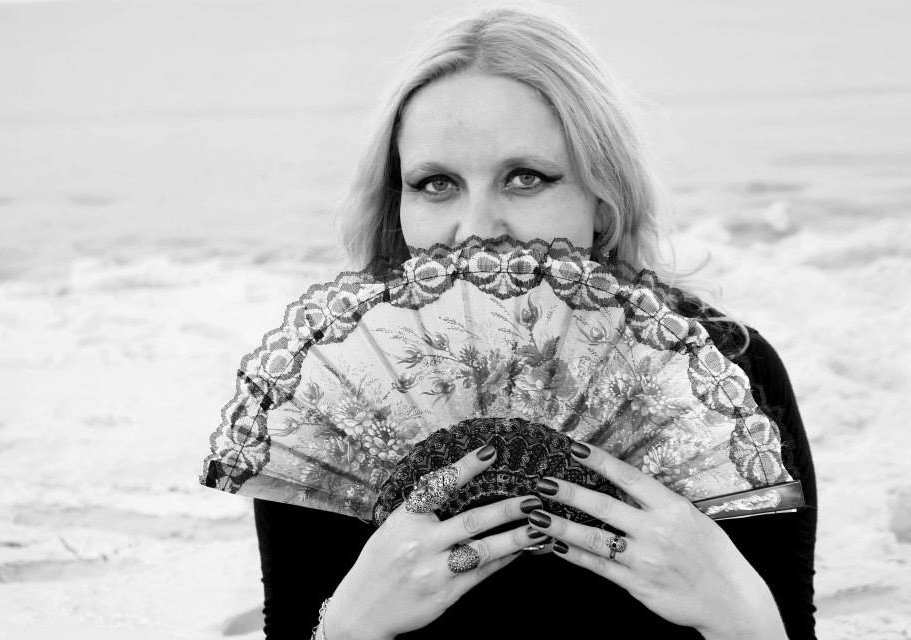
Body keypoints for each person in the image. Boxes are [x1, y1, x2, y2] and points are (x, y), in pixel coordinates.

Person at [252, 5, 817, 639]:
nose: (476, 228)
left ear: (603, 199)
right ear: (396, 206)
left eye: (525, 178)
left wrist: (740, 615)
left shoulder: (722, 378)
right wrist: (348, 628)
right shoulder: (331, 398)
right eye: (436, 183)